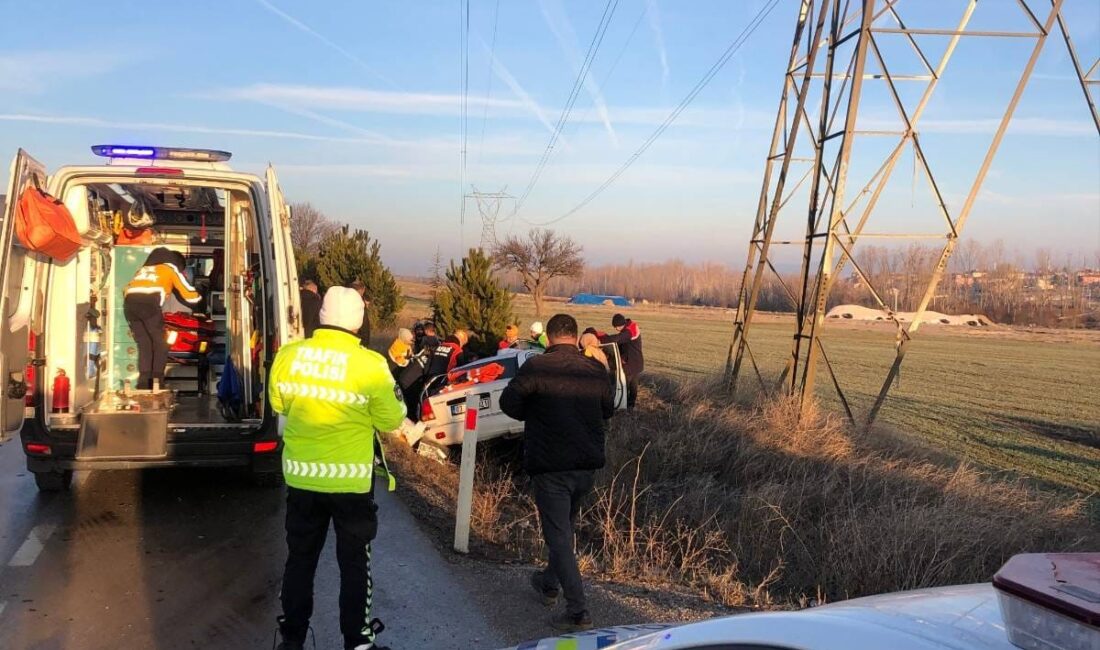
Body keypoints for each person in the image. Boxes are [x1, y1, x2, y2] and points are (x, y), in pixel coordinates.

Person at [269, 287, 406, 650]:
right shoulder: (370, 364)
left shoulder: (289, 355)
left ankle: (292, 639)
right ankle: (358, 642)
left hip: (301, 479)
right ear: (358, 322)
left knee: (300, 560)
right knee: (354, 565)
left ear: (322, 316)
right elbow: (392, 419)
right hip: (350, 486)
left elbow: (278, 403)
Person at [500, 314, 613, 632]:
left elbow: (509, 403)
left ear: (548, 339)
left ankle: (577, 611)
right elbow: (608, 410)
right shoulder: (595, 369)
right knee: (563, 529)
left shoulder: (536, 367)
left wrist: (534, 411)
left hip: (551, 465)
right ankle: (548, 583)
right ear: (575, 337)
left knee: (559, 535)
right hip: (586, 466)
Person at [123, 247, 201, 390]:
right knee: (161, 343)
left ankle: (143, 382)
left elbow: (126, 289)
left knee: (144, 343)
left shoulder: (143, 269)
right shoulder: (169, 268)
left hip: (129, 306)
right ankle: (157, 381)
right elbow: (189, 293)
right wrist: (199, 299)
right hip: (149, 305)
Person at [600, 313, 643, 409]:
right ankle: (631, 405)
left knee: (625, 385)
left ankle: (623, 405)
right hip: (636, 362)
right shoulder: (630, 327)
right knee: (633, 385)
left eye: (616, 326)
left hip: (631, 363)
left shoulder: (628, 332)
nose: (615, 329)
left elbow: (617, 339)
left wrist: (601, 339)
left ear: (620, 325)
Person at [350, 280, 372, 348]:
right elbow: (364, 326)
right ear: (363, 289)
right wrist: (365, 343)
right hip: (357, 342)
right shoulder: (359, 304)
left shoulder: (345, 301)